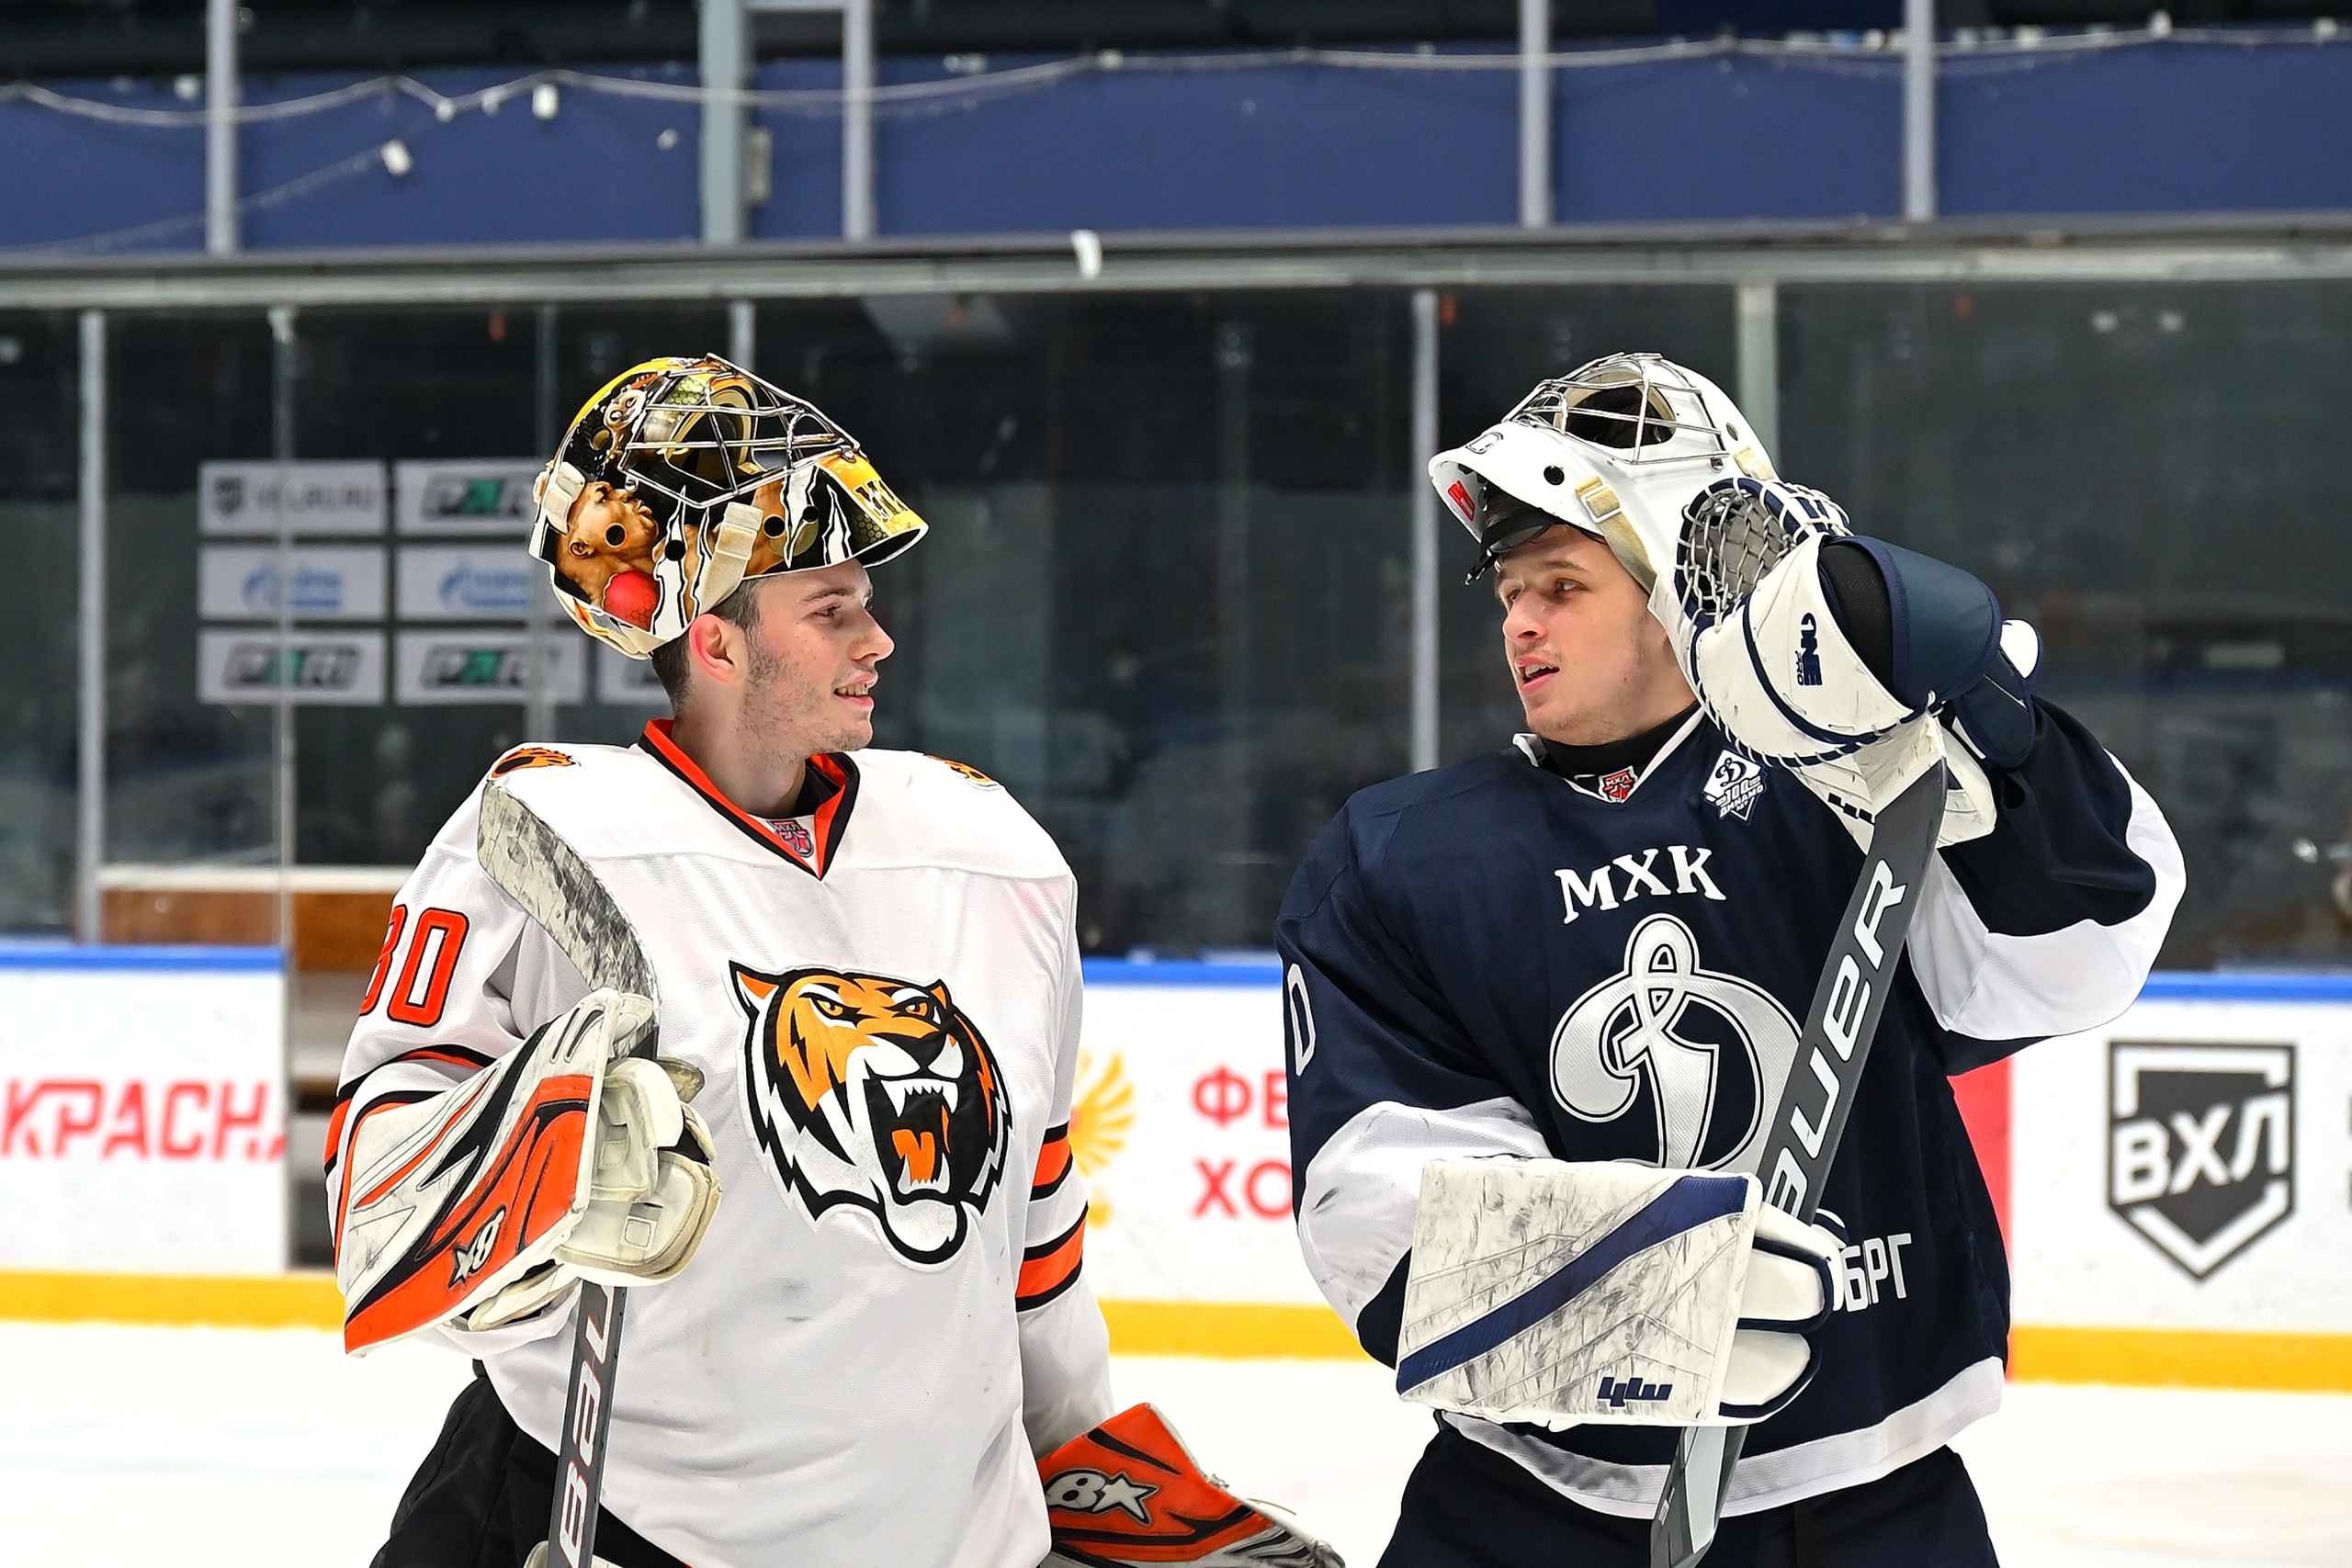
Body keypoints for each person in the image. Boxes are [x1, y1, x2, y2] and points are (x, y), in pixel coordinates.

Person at [330, 358, 1325, 1568]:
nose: (881, 639)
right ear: (717, 638)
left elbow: (1033, 1227)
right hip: (604, 1515)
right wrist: (530, 1177)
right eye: (833, 609)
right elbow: (381, 1214)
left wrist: (1082, 1469)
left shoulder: (989, 853)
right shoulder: (542, 841)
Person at [1277, 355, 2185, 1567]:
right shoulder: (1396, 854)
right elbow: (1375, 1212)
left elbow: (2082, 956)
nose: (1520, 623)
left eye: (1563, 584)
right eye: (1508, 593)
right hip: (1531, 1512)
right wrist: (1654, 1295)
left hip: (1883, 1502)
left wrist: (1992, 741)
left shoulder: (1857, 788)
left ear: (1681, 594)